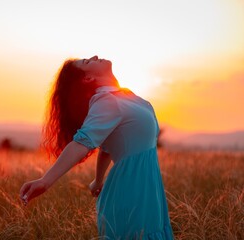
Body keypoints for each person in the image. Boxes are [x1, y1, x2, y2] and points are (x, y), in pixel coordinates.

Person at [19, 55, 174, 239]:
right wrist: (46, 181)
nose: (94, 56)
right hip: (130, 195)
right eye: (86, 62)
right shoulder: (107, 102)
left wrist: (98, 180)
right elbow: (80, 144)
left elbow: (107, 148)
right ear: (88, 78)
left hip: (148, 193)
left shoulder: (125, 97)